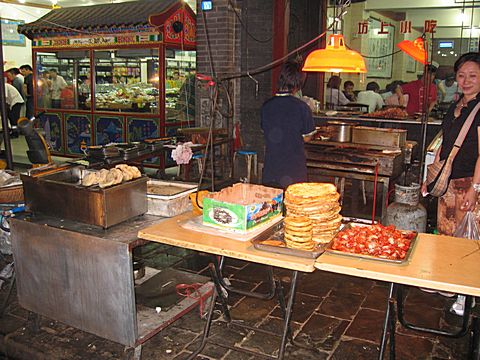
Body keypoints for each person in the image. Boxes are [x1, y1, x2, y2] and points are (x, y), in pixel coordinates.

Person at [422, 52, 480, 237]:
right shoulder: (455, 107)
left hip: (469, 182)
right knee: (445, 235)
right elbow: (445, 143)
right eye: (461, 75)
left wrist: (474, 189)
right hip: (447, 183)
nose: (466, 81)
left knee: (467, 241)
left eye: (473, 76)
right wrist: (431, 177)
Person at [261, 61, 316, 189]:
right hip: (294, 171)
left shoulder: (266, 106)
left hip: (271, 170)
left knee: (273, 206)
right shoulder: (302, 107)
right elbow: (307, 137)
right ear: (297, 84)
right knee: (294, 207)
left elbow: (266, 132)